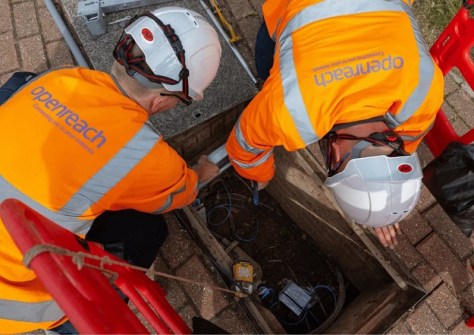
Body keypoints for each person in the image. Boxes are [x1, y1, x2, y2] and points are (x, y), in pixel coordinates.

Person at [0, 6, 221, 333]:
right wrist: (204, 171)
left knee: (19, 83)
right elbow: (183, 192)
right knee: (147, 230)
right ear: (162, 99)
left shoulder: (60, 78)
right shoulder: (144, 155)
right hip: (17, 301)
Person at [225, 0, 444, 249]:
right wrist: (260, 176)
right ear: (336, 155)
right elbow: (244, 147)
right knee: (271, 58)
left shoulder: (424, 94)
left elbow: (407, 145)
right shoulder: (291, 111)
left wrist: (382, 201)